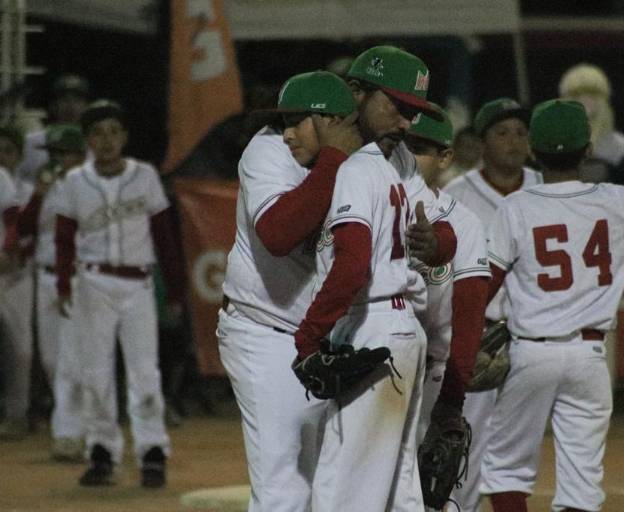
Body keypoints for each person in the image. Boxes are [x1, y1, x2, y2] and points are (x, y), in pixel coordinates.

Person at [481, 63, 624, 512]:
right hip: (591, 358)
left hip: (530, 352)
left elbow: (485, 284)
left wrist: (464, 339)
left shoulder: (515, 207)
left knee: (506, 469)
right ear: (589, 146)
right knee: (581, 483)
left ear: (532, 149)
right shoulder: (613, 201)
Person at [291, 45, 448, 510]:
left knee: (343, 492)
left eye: (412, 112)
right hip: (399, 333)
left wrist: (308, 337)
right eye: (396, 107)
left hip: (373, 331)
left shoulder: (360, 167)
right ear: (355, 92)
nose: (406, 123)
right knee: (399, 491)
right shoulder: (389, 163)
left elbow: (353, 263)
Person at [217, 70, 363, 512]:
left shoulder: (368, 160)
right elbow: (279, 233)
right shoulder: (266, 151)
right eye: (285, 120)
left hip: (322, 337)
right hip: (264, 331)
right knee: (285, 488)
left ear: (332, 120)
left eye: (298, 121)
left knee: (332, 486)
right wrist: (337, 157)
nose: (286, 133)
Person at [54, 100, 183, 487]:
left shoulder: (144, 176)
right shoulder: (75, 181)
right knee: (95, 370)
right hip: (93, 283)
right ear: (87, 140)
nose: (106, 140)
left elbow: (164, 234)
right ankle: (102, 451)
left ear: (124, 136)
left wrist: (175, 287)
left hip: (138, 284)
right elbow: (64, 239)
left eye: (113, 131)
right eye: (97, 133)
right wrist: (63, 283)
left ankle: (152, 451)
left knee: (144, 371)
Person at [442, 98, 543, 511]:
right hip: (477, 336)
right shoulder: (456, 194)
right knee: (466, 442)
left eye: (521, 132)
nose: (513, 141)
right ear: (481, 143)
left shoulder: (545, 185)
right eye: (501, 132)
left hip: (533, 338)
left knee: (519, 452)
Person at [404, 104, 490, 451]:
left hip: (433, 373)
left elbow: (468, 315)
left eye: (420, 149)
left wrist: (454, 397)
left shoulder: (464, 221)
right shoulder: (367, 200)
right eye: (403, 146)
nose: (408, 157)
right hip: (368, 365)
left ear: (444, 158)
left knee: (431, 489)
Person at [16, 124, 92, 460]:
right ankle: (80, 426)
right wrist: (39, 195)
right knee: (51, 360)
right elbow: (24, 228)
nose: (59, 160)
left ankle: (70, 433)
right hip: (44, 278)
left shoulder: (91, 187)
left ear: (79, 155)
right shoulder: (49, 187)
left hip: (76, 278)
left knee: (70, 361)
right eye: (56, 154)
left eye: (65, 153)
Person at [559, 63, 624, 186]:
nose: (584, 100)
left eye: (592, 95)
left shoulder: (619, 145)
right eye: (577, 95)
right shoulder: (557, 142)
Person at [0, 124, 35, 441]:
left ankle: (17, 413)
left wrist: (13, 253)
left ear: (20, 156)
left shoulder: (28, 190)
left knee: (20, 348)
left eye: (8, 150)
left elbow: (26, 229)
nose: (2, 157)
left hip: (18, 274)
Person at [16, 74, 91, 183]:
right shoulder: (32, 142)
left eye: (77, 100)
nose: (70, 106)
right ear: (53, 105)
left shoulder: (94, 143)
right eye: (64, 100)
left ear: (86, 106)